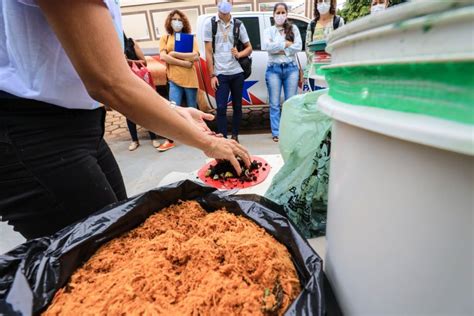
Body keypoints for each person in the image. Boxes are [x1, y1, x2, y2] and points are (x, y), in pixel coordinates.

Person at [0, 0, 250, 239]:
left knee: (123, 227)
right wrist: (208, 144)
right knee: (99, 259)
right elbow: (108, 83)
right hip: (32, 132)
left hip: (83, 124)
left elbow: (116, 75)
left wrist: (175, 109)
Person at [204, 0, 253, 143]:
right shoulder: (210, 24)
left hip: (237, 72)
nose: (225, 2)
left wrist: (239, 54)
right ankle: (223, 139)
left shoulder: (238, 25)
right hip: (220, 74)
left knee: (238, 106)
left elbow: (249, 47)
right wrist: (212, 75)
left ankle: (235, 136)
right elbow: (208, 52)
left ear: (232, 3)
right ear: (216, 2)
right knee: (220, 108)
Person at [158, 10, 200, 152]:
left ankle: (197, 137)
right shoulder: (165, 38)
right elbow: (163, 57)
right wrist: (183, 63)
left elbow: (195, 56)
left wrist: (174, 54)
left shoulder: (190, 38)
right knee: (173, 109)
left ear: (184, 22)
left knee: (192, 108)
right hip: (174, 79)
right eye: (174, 19)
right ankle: (170, 139)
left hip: (190, 79)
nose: (177, 22)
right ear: (169, 22)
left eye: (179, 19)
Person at [262, 3, 302, 142]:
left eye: (282, 12)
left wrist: (277, 46)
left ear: (286, 14)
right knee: (274, 103)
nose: (280, 15)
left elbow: (298, 46)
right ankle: (277, 133)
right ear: (273, 14)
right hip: (273, 69)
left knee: (290, 103)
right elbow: (267, 47)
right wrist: (286, 44)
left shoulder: (293, 28)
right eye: (277, 13)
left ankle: (290, 131)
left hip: (291, 68)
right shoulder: (268, 31)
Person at [123, 33, 160, 151]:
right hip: (124, 83)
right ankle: (134, 140)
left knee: (147, 109)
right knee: (129, 113)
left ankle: (153, 138)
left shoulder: (130, 42)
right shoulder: (111, 46)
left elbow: (143, 62)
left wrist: (127, 60)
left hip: (138, 81)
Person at [304, 0, 344, 90]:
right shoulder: (312, 24)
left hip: (332, 71)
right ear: (316, 3)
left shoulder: (338, 21)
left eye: (325, 0)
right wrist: (318, 62)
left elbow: (342, 45)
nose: (322, 3)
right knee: (314, 100)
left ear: (331, 2)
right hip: (314, 71)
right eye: (320, 1)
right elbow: (307, 47)